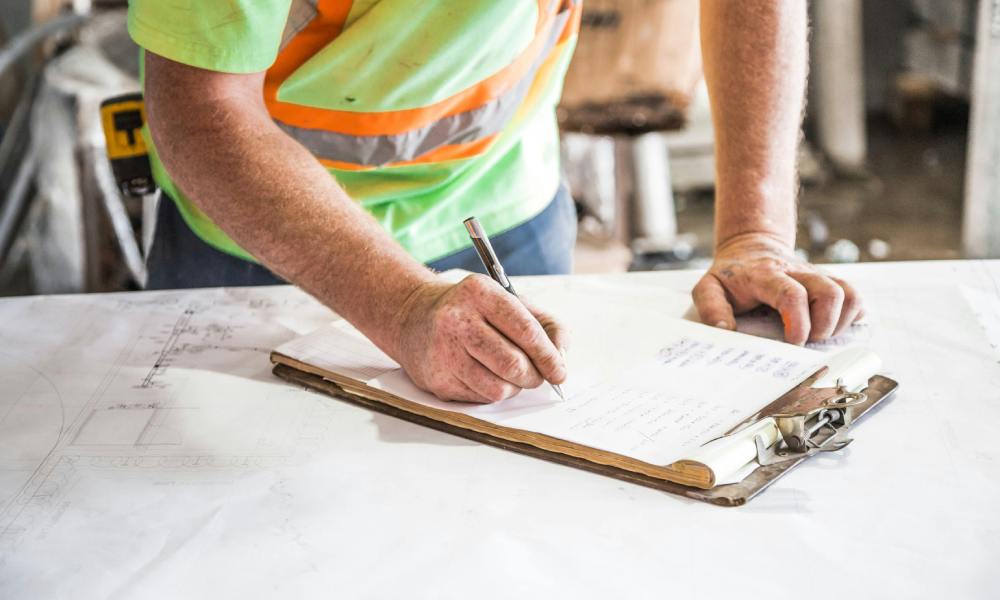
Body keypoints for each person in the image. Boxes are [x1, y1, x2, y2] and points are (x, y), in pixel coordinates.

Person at [131, 0, 862, 404]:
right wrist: (398, 303)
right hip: (266, 243)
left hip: (506, 208)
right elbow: (202, 110)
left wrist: (754, 235)